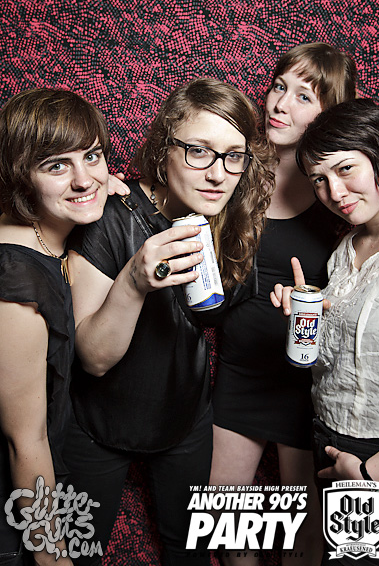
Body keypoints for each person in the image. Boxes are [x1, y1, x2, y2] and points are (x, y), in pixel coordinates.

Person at [63, 77, 276, 566]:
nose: (218, 173)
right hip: (98, 421)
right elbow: (93, 359)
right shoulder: (110, 216)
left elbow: (225, 316)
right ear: (164, 148)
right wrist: (135, 280)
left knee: (192, 554)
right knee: (76, 552)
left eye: (233, 156)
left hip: (185, 419)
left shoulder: (232, 220)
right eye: (198, 151)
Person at [210, 42, 357, 565]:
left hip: (305, 379)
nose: (279, 103)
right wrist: (118, 189)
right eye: (279, 87)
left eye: (303, 96)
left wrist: (316, 303)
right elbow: (176, 190)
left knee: (305, 536)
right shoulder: (239, 167)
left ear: (329, 114)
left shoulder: (340, 192)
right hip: (241, 368)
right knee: (225, 522)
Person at [271, 97, 379, 565]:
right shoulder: (344, 250)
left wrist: (373, 474)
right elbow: (347, 360)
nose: (334, 191)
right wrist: (304, 320)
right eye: (319, 180)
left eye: (346, 169)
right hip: (330, 440)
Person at [0, 88, 110, 565]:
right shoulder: (16, 285)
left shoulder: (41, 236)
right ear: (21, 175)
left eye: (93, 156)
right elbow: (24, 443)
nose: (84, 179)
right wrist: (53, 556)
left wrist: (97, 185)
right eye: (56, 165)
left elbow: (86, 184)